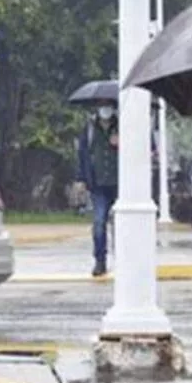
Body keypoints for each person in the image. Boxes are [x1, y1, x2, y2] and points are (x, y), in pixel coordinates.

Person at [76, 102, 120, 277]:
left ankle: (123, 259)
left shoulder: (123, 126)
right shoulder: (89, 129)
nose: (105, 109)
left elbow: (142, 146)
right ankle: (100, 261)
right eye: (102, 106)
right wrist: (80, 179)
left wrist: (122, 143)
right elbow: (82, 154)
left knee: (121, 225)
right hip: (98, 185)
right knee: (99, 223)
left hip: (120, 184)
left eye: (108, 105)